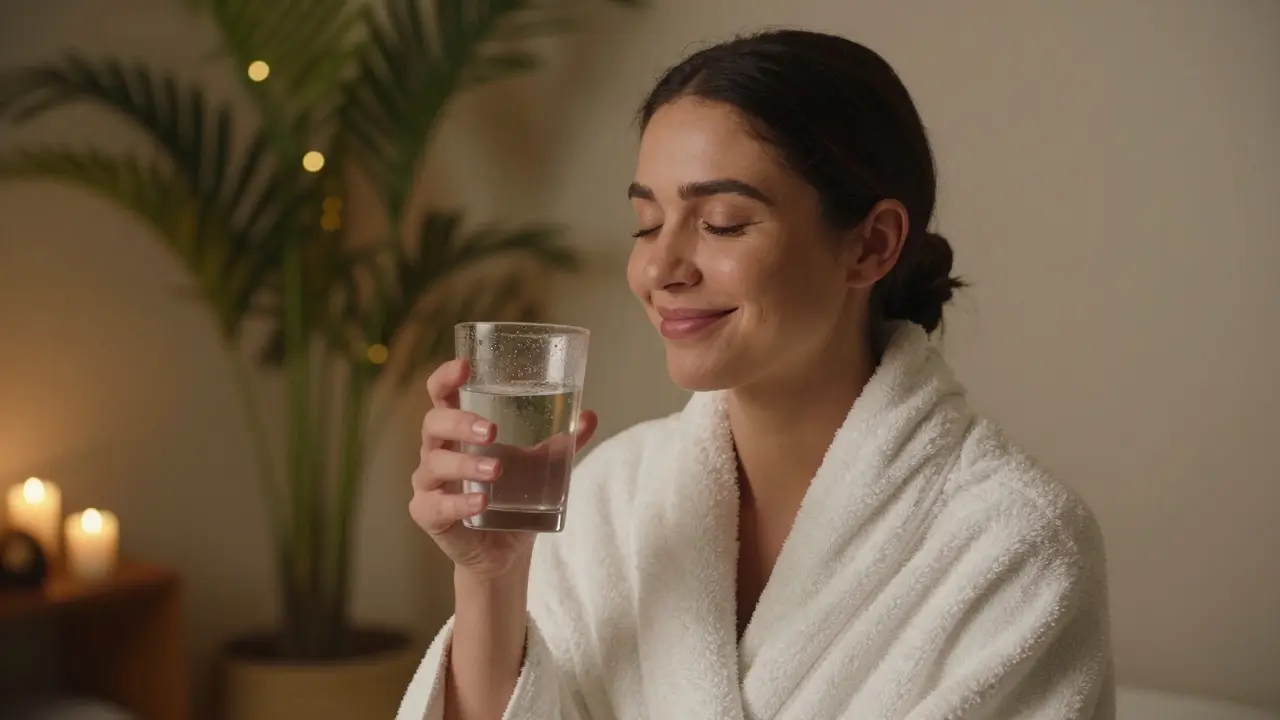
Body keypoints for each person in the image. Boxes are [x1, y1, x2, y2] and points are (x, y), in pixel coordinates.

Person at [398, 29, 1114, 720]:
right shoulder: (609, 501)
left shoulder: (1015, 541)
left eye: (725, 223)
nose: (661, 269)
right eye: (647, 223)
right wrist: (491, 578)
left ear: (870, 246)